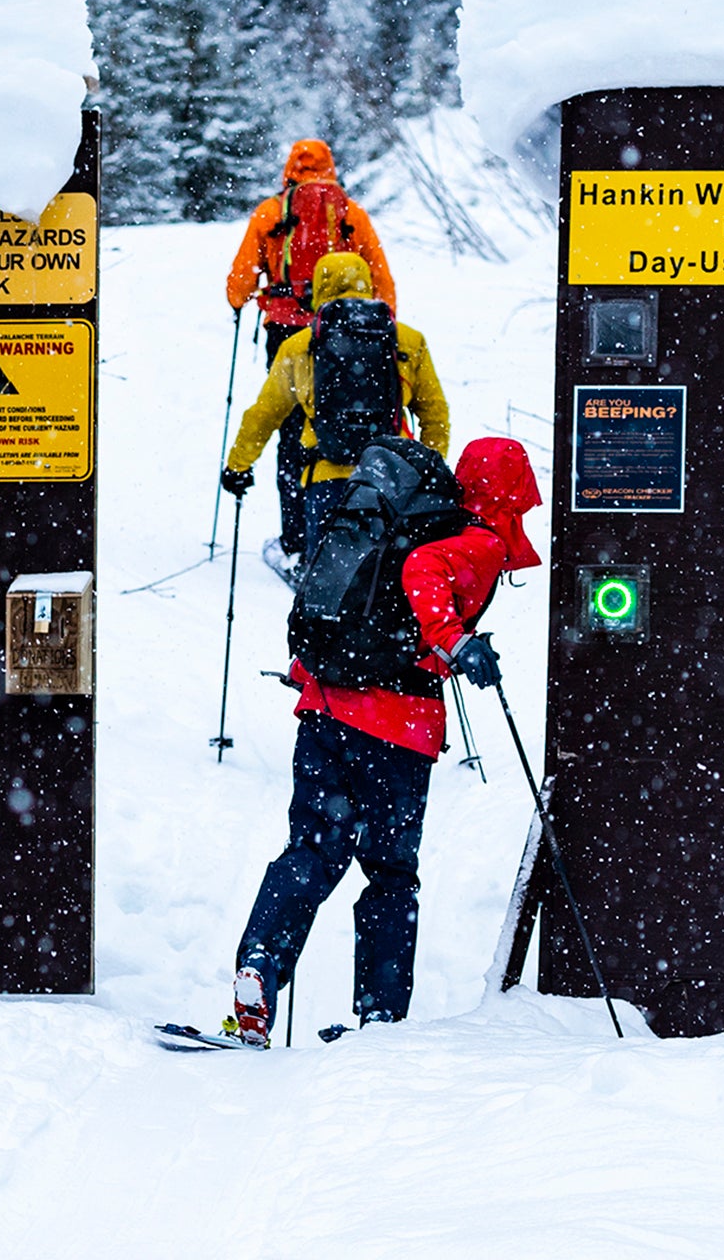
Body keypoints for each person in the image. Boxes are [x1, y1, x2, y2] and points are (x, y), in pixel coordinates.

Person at [226, 437, 543, 1045]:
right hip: (395, 729)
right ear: (514, 492)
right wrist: (452, 639)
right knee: (391, 873)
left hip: (326, 706)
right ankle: (380, 1019)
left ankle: (260, 967)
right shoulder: (476, 541)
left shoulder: (408, 521)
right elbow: (420, 576)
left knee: (311, 853)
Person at [225, 141, 396, 571]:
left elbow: (239, 282)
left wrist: (239, 299)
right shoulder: (351, 214)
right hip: (350, 335)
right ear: (330, 168)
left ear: (290, 169)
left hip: (286, 333)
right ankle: (351, 532)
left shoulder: (271, 213)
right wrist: (384, 330)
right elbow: (381, 277)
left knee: (291, 432)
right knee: (345, 429)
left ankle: (297, 539)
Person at [220, 251, 449, 562]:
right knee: (384, 580)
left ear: (319, 288)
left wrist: (238, 467)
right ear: (367, 283)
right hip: (390, 480)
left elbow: (264, 414)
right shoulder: (408, 341)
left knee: (326, 580)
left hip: (326, 477)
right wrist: (429, 469)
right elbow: (434, 412)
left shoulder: (299, 345)